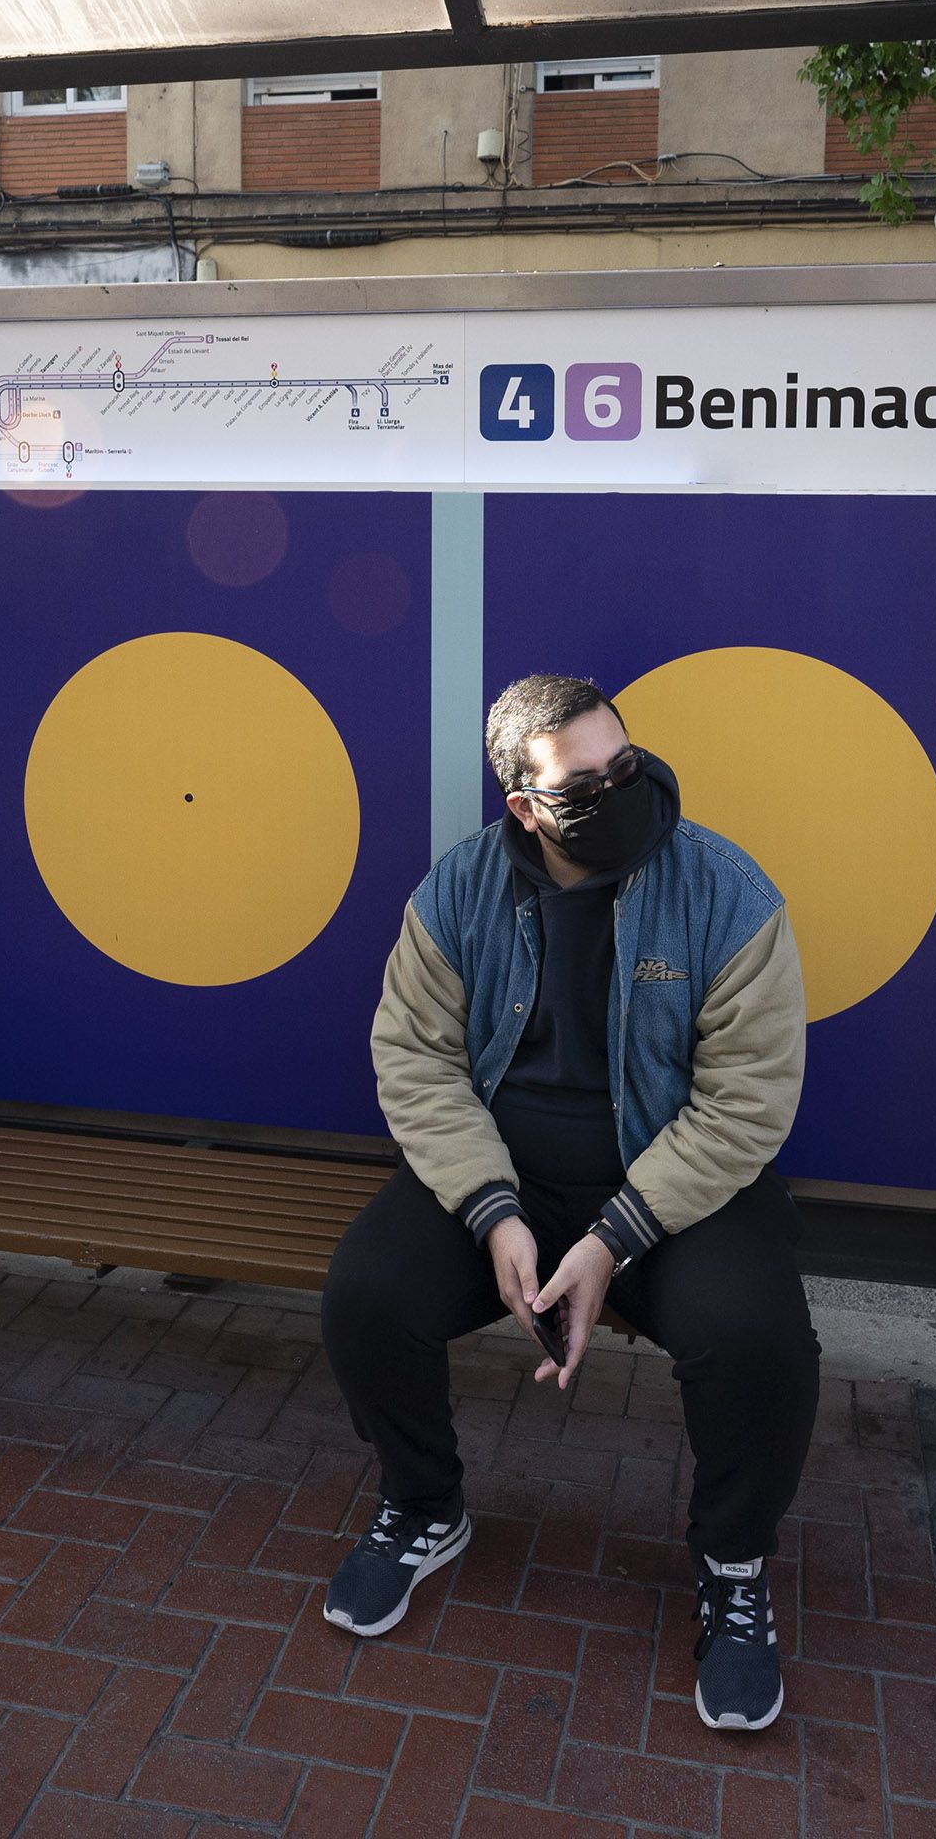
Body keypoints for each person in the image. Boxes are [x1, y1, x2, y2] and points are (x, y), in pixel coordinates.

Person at [323, 674, 820, 1731]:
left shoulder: (727, 893)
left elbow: (748, 1102)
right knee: (367, 1290)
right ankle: (424, 1502)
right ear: (524, 804)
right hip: (508, 1174)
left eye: (624, 766)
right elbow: (412, 1060)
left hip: (674, 1186)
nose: (618, 791)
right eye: (584, 783)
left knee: (755, 1334)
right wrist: (494, 1210)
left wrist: (615, 1239)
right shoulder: (456, 891)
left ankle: (733, 1570)